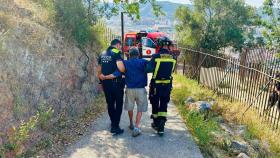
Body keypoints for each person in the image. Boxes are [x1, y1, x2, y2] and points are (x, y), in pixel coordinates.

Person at [103, 47, 148, 137]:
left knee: (130, 107)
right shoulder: (143, 61)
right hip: (140, 89)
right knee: (140, 109)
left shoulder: (125, 63)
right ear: (138, 54)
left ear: (129, 55)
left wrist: (106, 77)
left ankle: (131, 123)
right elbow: (151, 67)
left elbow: (118, 73)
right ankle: (136, 127)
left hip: (130, 89)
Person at [146, 36, 177, 136]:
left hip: (156, 85)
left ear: (159, 45)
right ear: (167, 45)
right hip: (167, 85)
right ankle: (161, 127)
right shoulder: (173, 57)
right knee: (164, 103)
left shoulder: (155, 56)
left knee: (155, 102)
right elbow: (172, 70)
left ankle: (156, 123)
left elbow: (148, 69)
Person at [97, 39, 125, 135]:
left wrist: (101, 81)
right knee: (119, 103)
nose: (120, 48)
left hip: (106, 83)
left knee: (110, 103)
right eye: (120, 46)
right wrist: (124, 70)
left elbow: (99, 70)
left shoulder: (103, 53)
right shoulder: (116, 52)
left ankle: (113, 122)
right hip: (116, 83)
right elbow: (121, 68)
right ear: (117, 45)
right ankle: (115, 126)